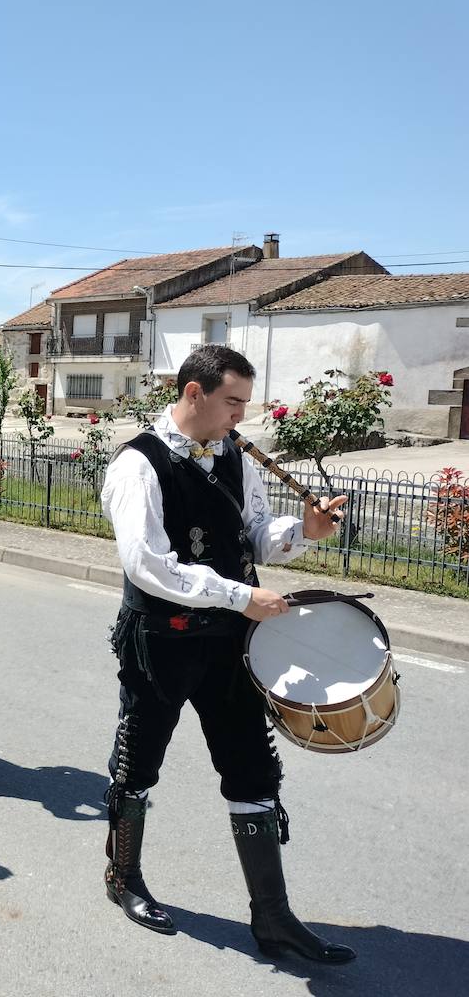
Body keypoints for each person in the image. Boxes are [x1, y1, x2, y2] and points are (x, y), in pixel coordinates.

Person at [98, 344, 352, 962]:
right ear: (194, 394)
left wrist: (301, 531)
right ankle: (123, 877)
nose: (242, 414)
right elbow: (148, 564)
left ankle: (272, 915)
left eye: (245, 402)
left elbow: (253, 531)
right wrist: (239, 596)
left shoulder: (238, 456)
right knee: (139, 761)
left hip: (229, 641)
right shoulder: (138, 465)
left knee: (252, 767)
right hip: (162, 638)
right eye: (233, 401)